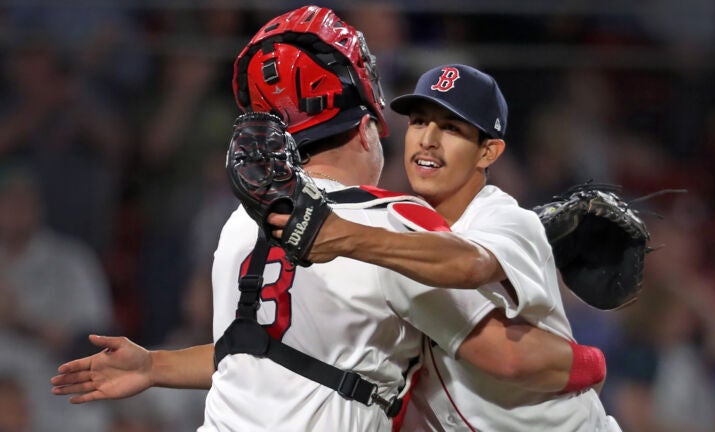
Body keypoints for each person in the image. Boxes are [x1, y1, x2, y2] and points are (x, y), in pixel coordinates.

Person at [51, 6, 606, 431]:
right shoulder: (391, 225)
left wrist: (155, 368)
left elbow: (259, 349)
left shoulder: (241, 224)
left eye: (451, 128)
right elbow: (505, 357)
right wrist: (593, 362)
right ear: (368, 127)